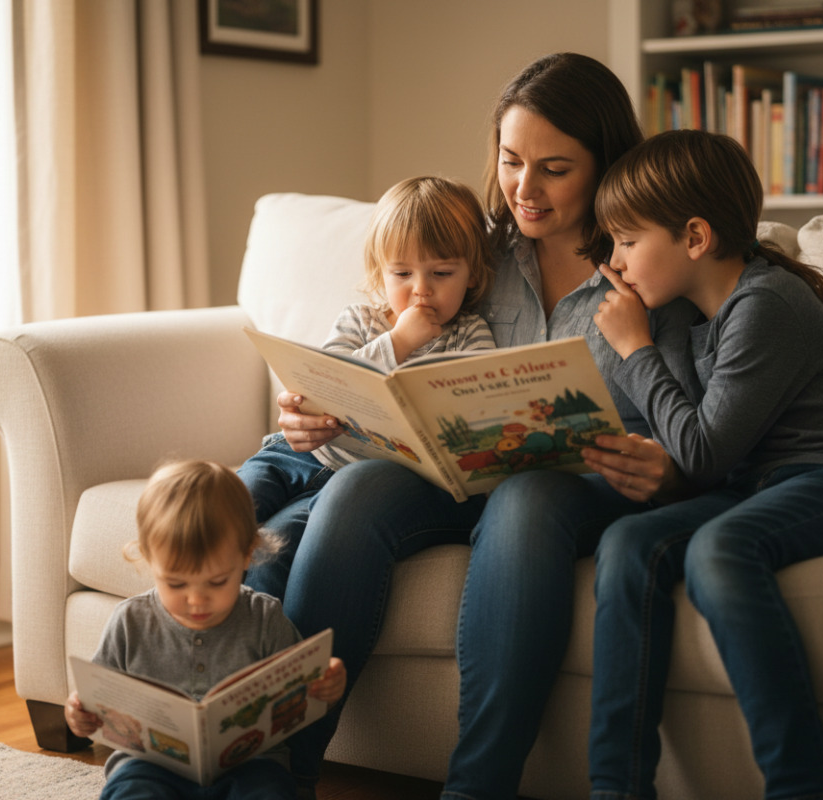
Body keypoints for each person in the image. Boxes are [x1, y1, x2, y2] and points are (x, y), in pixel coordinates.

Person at [247, 52, 700, 799]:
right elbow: (374, 329)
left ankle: (477, 787)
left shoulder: (647, 267)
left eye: (554, 168)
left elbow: (695, 427)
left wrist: (669, 468)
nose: (524, 188)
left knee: (527, 501)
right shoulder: (472, 253)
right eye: (511, 160)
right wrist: (316, 404)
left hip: (576, 484)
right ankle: (280, 771)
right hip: (454, 474)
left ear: (604, 164)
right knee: (355, 491)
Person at [586, 129, 823, 800]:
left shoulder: (764, 304)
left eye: (625, 240)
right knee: (626, 543)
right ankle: (615, 789)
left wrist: (634, 349)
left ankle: (802, 788)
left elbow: (701, 450)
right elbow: (695, 449)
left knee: (719, 548)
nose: (615, 263)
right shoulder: (691, 315)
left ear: (696, 237)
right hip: (758, 485)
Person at [64, 460, 347, 800]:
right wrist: (79, 715)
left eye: (216, 582)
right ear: (148, 559)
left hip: (251, 764)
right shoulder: (129, 621)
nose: (196, 600)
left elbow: (302, 698)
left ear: (247, 555)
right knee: (132, 791)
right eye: (177, 583)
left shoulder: (264, 618)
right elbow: (98, 702)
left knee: (271, 791)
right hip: (150, 766)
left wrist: (327, 687)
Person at [235, 175, 495, 526]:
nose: (421, 289)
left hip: (368, 480)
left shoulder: (470, 335)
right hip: (305, 456)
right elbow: (328, 384)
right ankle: (182, 579)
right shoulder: (359, 321)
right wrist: (398, 342)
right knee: (233, 503)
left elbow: (479, 412)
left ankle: (250, 583)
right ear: (380, 273)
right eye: (402, 273)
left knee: (280, 541)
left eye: (442, 272)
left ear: (473, 275)